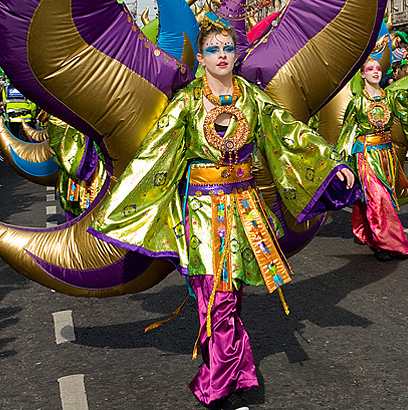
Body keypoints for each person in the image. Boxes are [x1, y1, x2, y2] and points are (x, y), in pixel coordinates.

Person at [89, 22, 358, 410]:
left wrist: (331, 164)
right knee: (216, 296)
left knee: (231, 296)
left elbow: (288, 133)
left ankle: (233, 372)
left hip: (245, 209)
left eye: (228, 48)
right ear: (200, 58)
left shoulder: (252, 98)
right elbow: (153, 156)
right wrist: (116, 208)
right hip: (202, 211)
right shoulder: (186, 104)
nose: (221, 55)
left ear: (236, 54)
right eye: (213, 49)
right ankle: (220, 382)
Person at [338, 50, 408, 261]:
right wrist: (340, 164)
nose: (375, 72)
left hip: (387, 156)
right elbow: (346, 134)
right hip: (366, 156)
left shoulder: (391, 98)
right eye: (370, 69)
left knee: (382, 199)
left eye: (378, 69)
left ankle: (369, 232)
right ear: (362, 75)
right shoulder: (357, 103)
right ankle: (386, 244)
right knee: (379, 199)